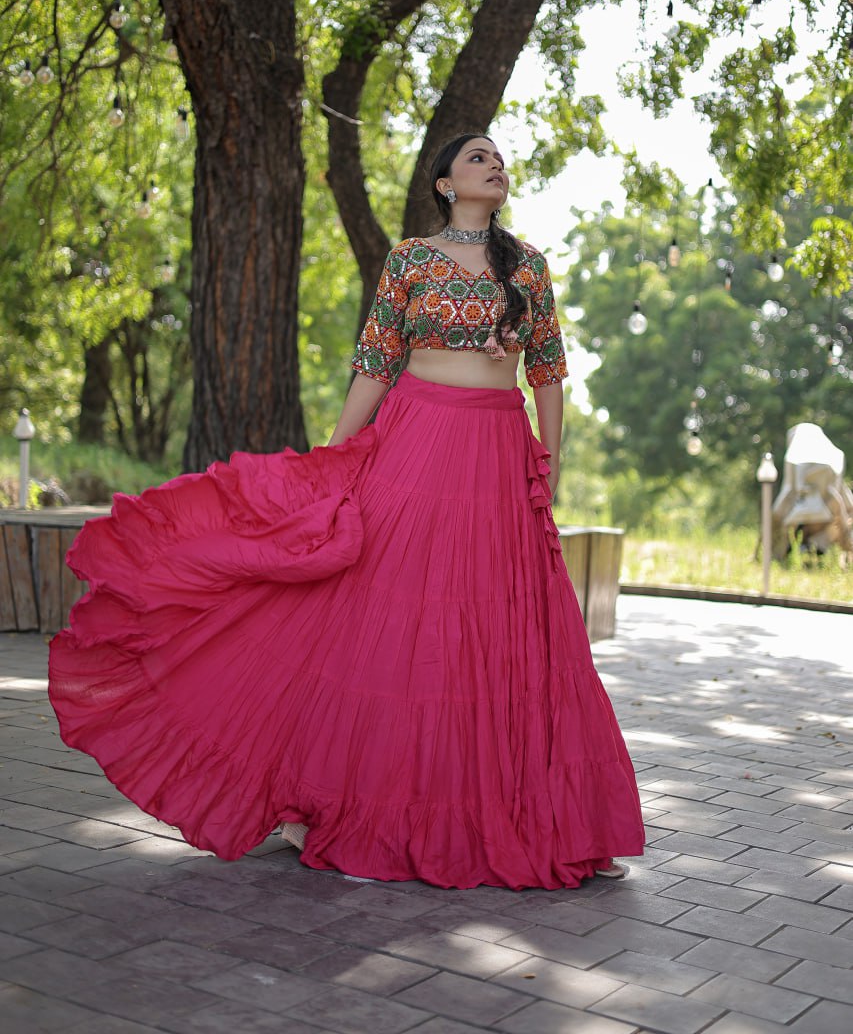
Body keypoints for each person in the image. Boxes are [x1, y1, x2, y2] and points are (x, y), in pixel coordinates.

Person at [49, 133, 644, 890]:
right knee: (389, 623)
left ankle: (514, 813)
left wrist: (548, 466)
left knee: (499, 629)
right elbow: (375, 361)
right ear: (442, 184)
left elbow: (549, 371)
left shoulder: (526, 264)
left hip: (497, 457)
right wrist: (331, 461)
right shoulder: (410, 259)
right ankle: (340, 803)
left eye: (497, 158)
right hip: (418, 442)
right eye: (475, 158)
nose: (492, 166)